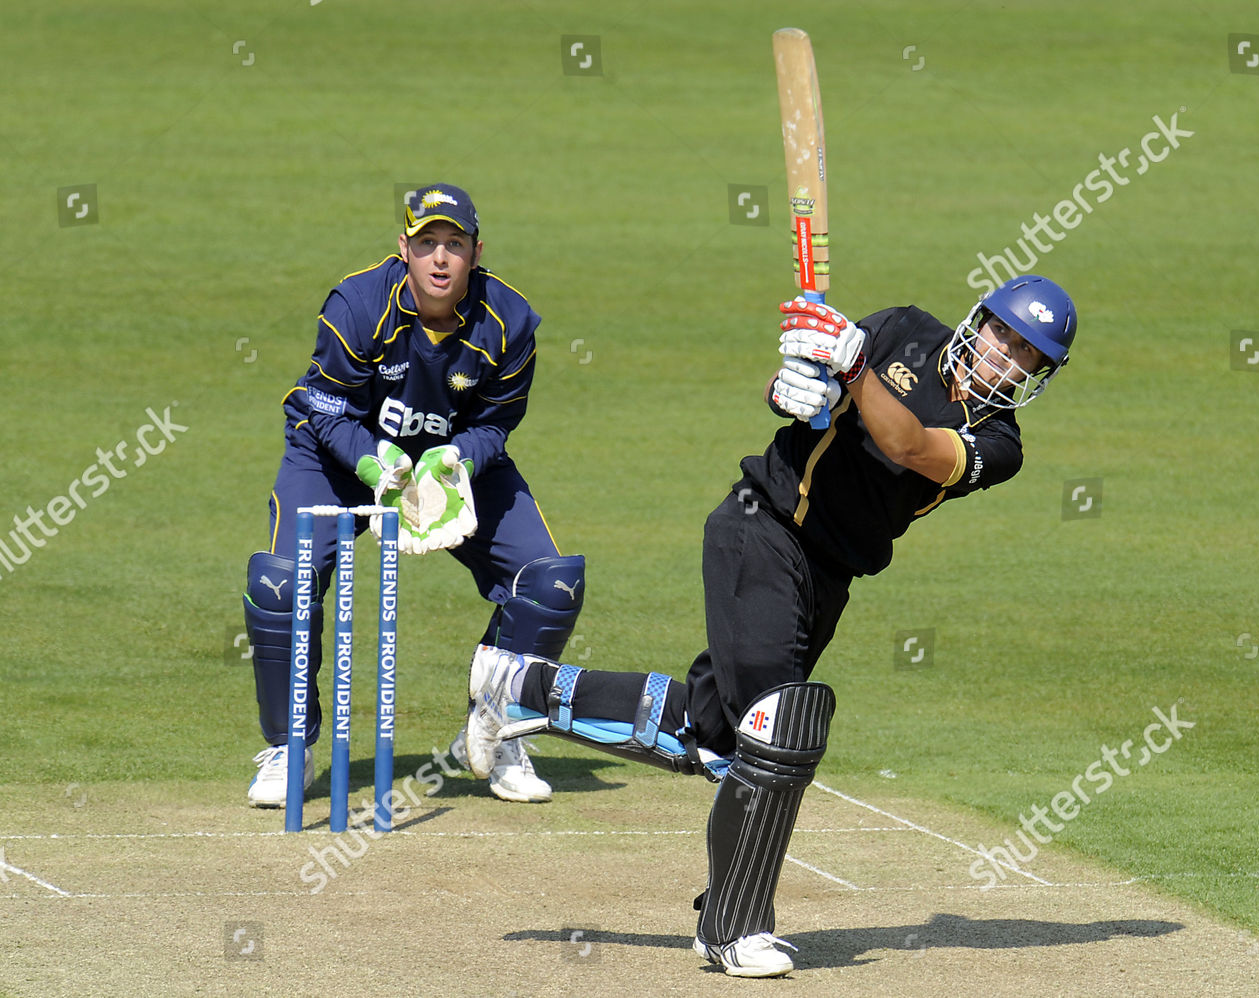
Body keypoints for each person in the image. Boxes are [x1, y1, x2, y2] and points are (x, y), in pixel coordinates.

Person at [459, 273, 1078, 976]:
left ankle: (518, 686)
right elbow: (802, 381)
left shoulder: (998, 444)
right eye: (1002, 334)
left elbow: (909, 446)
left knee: (714, 733)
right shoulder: (904, 328)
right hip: (764, 529)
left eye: (1026, 354)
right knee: (778, 733)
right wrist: (798, 388)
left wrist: (852, 370)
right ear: (980, 321)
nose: (1004, 356)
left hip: (830, 575)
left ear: (1038, 374)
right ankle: (733, 928)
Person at [241, 184, 583, 810]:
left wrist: (457, 461)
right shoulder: (357, 302)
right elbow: (324, 406)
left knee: (550, 583)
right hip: (337, 457)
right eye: (427, 244)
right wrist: (376, 463)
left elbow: (495, 423)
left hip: (450, 467)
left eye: (455, 244)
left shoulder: (510, 321)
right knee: (280, 587)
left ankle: (497, 723)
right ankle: (290, 745)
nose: (441, 258)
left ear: (477, 252)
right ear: (404, 249)